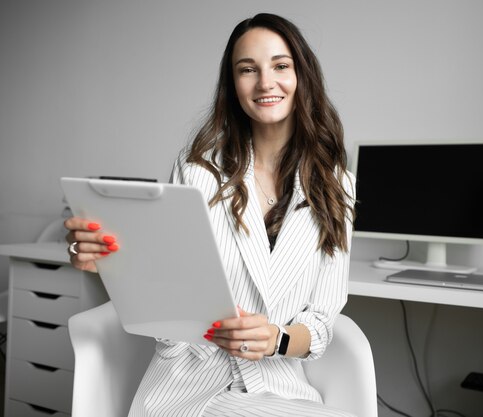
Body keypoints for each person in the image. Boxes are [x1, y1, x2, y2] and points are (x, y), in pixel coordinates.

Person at [64, 13, 356, 417]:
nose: (265, 82)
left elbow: (322, 318)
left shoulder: (337, 184)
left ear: (302, 75)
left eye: (280, 66)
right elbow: (163, 277)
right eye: (247, 70)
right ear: (233, 85)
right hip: (190, 385)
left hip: (279, 387)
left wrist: (278, 339)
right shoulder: (198, 170)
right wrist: (107, 261)